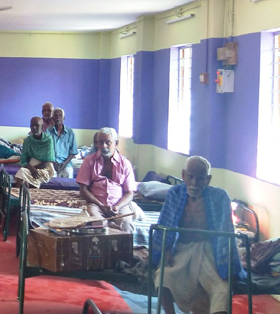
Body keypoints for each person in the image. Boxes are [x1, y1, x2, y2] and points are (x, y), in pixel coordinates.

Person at [153, 156, 243, 314]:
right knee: (162, 278)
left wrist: (227, 264)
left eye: (200, 178)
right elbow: (164, 225)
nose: (194, 183)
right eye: (190, 177)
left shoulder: (219, 197)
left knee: (222, 290)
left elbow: (226, 232)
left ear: (208, 179)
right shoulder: (175, 194)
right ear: (183, 175)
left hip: (208, 251)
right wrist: (166, 250)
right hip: (181, 249)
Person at [75, 127, 144, 232]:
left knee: (126, 224)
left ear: (116, 143)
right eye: (101, 142)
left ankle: (117, 239)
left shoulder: (125, 163)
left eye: (108, 143)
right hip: (96, 204)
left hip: (119, 205)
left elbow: (129, 193)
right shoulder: (89, 161)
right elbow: (83, 190)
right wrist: (101, 205)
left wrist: (117, 207)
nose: (104, 146)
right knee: (97, 223)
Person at [14, 116, 56, 188]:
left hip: (46, 168)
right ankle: (21, 194)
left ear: (42, 127)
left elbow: (48, 161)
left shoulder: (48, 140)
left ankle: (22, 193)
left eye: (37, 125)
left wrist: (32, 169)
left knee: (22, 173)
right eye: (32, 125)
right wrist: (31, 169)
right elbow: (23, 160)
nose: (34, 128)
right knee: (22, 173)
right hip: (31, 166)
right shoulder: (27, 140)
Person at [47, 107, 78, 178]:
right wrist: (53, 162)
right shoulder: (48, 132)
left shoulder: (70, 132)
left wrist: (64, 164)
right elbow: (46, 151)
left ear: (64, 118)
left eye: (60, 115)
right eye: (55, 115)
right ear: (53, 118)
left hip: (66, 163)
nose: (58, 117)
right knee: (51, 176)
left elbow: (73, 152)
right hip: (51, 162)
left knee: (68, 173)